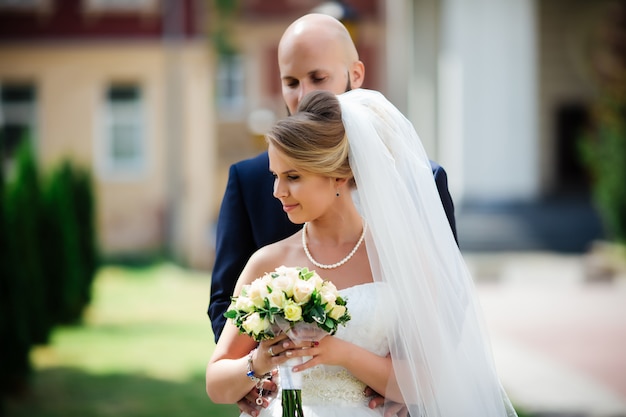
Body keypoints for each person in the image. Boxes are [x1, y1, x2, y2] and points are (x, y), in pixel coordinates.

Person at [205, 89, 518, 417]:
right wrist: (258, 362)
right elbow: (216, 383)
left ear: (339, 175)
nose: (277, 192)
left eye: (293, 177)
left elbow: (428, 383)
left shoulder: (401, 259)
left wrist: (342, 353)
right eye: (275, 176)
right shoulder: (267, 262)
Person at [209, 13, 457, 344]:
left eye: (318, 77)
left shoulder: (422, 179)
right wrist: (258, 379)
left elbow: (450, 300)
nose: (304, 95)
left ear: (355, 73)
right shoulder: (251, 180)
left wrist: (396, 385)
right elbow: (226, 302)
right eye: (291, 82)